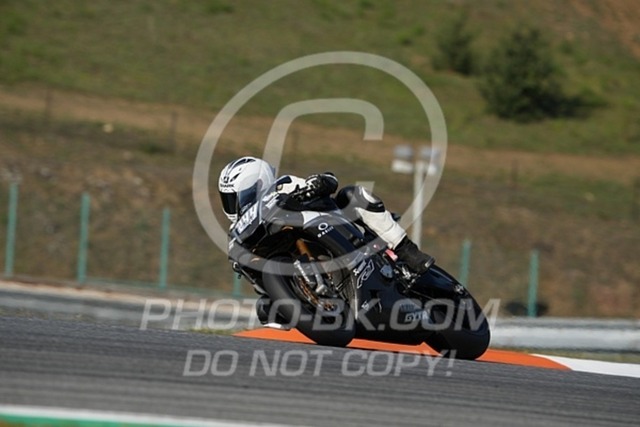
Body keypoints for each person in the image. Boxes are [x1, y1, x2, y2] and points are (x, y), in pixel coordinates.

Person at [218, 156, 435, 323]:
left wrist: (319, 183)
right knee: (265, 310)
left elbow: (330, 180)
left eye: (235, 196)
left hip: (337, 230)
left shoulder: (283, 186)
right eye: (227, 198)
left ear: (258, 184)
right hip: (297, 267)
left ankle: (407, 251)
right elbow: (257, 280)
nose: (232, 204)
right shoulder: (239, 233)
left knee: (354, 195)